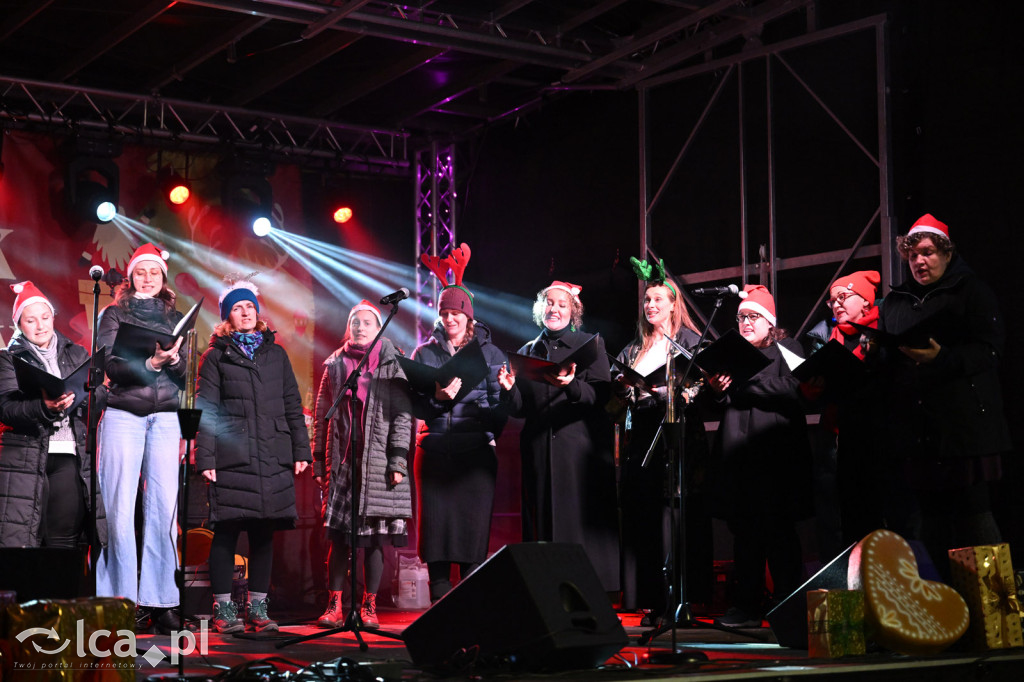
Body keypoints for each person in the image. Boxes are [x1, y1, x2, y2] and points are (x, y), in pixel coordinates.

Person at [872, 214, 1010, 576]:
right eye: (913, 255)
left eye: (928, 253)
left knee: (974, 518)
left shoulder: (970, 290)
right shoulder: (896, 302)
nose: (919, 261)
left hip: (964, 429)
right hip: (918, 431)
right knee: (930, 521)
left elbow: (991, 350)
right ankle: (947, 614)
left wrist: (943, 358)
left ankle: (995, 617)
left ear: (947, 254)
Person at [195, 277, 311, 633]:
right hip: (233, 455)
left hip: (272, 455)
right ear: (227, 317)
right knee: (227, 531)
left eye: (249, 307)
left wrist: (301, 448)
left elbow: (292, 403)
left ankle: (259, 610)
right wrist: (207, 458)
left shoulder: (276, 354)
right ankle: (224, 611)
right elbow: (207, 409)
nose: (245, 313)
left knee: (264, 533)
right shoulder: (215, 356)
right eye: (237, 308)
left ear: (257, 312)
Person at [497, 281, 619, 592]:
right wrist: (509, 390)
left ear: (573, 312)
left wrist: (572, 385)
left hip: (578, 448)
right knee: (542, 523)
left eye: (562, 304)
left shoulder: (590, 344)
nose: (554, 309)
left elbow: (602, 394)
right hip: (538, 449)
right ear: (540, 310)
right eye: (549, 303)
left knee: (577, 522)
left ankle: (589, 591)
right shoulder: (527, 351)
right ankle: (547, 591)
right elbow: (521, 409)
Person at [95, 243, 189, 633]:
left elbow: (185, 376)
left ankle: (161, 601)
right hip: (124, 414)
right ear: (130, 277)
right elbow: (108, 363)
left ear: (163, 278)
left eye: (154, 272)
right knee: (118, 507)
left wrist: (177, 360)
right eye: (140, 272)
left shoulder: (178, 317)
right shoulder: (113, 313)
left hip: (165, 417)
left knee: (164, 510)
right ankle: (120, 602)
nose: (147, 277)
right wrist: (151, 364)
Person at [705, 284, 811, 628]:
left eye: (753, 317)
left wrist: (741, 385)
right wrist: (719, 391)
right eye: (740, 318)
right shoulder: (733, 353)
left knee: (779, 534)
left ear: (769, 321)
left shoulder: (787, 348)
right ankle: (747, 606)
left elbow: (794, 387)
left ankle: (790, 607)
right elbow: (718, 403)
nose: (746, 323)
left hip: (776, 457)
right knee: (745, 534)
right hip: (739, 458)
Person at [614, 258, 711, 620]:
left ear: (673, 303)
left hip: (676, 434)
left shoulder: (689, 341)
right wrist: (624, 388)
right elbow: (616, 395)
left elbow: (702, 383)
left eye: (657, 299)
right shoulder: (634, 347)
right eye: (647, 300)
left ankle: (680, 600)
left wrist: (681, 394)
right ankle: (654, 599)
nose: (650, 305)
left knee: (676, 517)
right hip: (642, 434)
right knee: (647, 518)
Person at [412, 243, 507, 601]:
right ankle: (439, 611)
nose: (450, 319)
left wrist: (502, 404)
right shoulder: (424, 352)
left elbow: (499, 409)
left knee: (470, 538)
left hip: (474, 454)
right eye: (445, 313)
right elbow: (417, 406)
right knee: (436, 537)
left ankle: (467, 612)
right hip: (434, 451)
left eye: (457, 313)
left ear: (469, 316)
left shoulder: (491, 354)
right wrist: (437, 397)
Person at [312, 300, 412, 630]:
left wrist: (397, 459)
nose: (360, 327)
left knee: (372, 541)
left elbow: (403, 416)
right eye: (356, 321)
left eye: (368, 322)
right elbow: (320, 418)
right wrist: (318, 464)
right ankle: (335, 603)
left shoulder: (392, 363)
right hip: (343, 463)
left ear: (379, 327)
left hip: (380, 464)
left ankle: (369, 606)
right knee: (340, 538)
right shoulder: (336, 365)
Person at [0, 282, 106, 548]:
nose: (40, 326)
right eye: (31, 320)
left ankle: (61, 591)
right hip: (24, 458)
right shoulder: (7, 359)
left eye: (45, 317)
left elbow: (98, 400)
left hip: (68, 456)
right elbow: (6, 409)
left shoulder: (77, 353)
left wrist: (90, 393)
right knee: (21, 543)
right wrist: (45, 407)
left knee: (63, 542)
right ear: (19, 325)